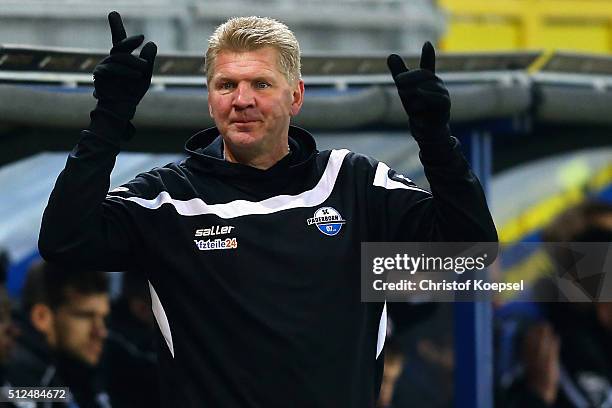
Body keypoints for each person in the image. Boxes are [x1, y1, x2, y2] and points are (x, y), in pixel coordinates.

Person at [38, 11, 497, 407]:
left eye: (261, 83)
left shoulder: (356, 183)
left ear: (296, 96)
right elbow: (64, 239)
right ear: (210, 97)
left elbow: (471, 248)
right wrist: (109, 116)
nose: (242, 100)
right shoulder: (168, 199)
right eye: (226, 85)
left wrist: (436, 139)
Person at [6, 260, 111, 407]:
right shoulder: (19, 382)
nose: (100, 332)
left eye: (103, 318)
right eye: (85, 316)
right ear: (42, 317)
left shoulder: (80, 369)